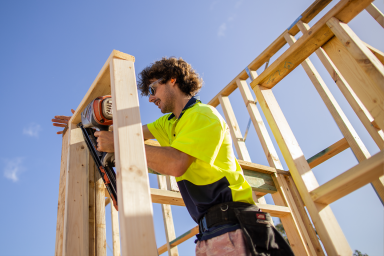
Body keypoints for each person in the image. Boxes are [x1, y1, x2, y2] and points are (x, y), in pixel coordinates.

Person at [52, 57, 294, 256]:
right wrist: (86, 122)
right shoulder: (169, 123)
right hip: (211, 231)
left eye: (153, 89)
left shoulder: (202, 115)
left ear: (172, 80)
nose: (150, 97)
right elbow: (130, 133)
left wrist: (118, 144)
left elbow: (176, 162)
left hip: (236, 224)